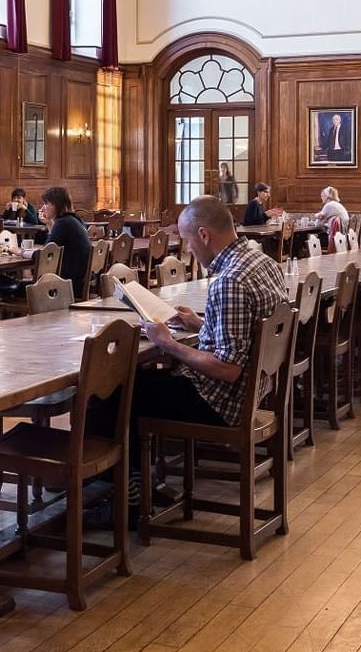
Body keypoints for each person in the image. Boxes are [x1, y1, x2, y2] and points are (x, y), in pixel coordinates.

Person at [92, 195, 287, 525]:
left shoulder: (229, 281)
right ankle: (144, 482)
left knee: (110, 392)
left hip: (221, 403)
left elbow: (227, 369)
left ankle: (126, 498)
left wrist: (168, 344)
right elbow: (249, 331)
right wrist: (200, 323)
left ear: (204, 235)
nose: (188, 248)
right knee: (141, 385)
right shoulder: (260, 261)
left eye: (187, 241)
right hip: (253, 393)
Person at [39, 186, 92, 297]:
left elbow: (44, 255)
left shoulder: (63, 223)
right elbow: (51, 246)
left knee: (15, 289)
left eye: (46, 203)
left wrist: (20, 252)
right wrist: (49, 223)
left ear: (56, 205)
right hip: (79, 282)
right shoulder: (75, 219)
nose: (43, 208)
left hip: (67, 286)